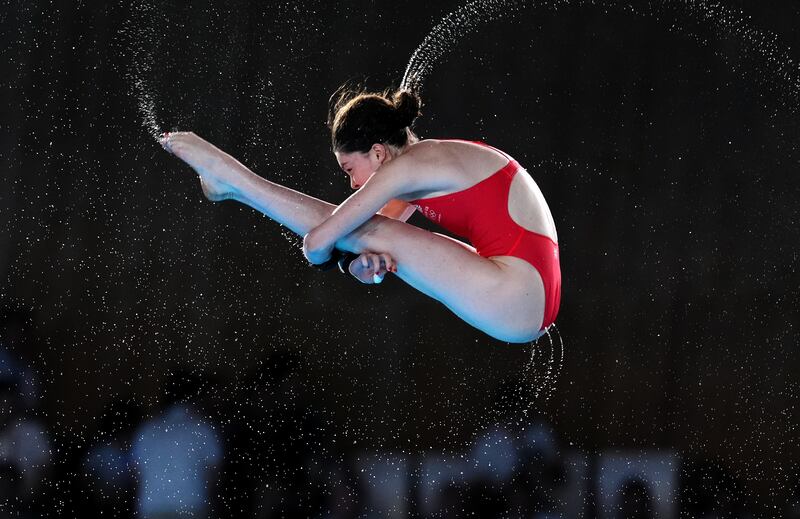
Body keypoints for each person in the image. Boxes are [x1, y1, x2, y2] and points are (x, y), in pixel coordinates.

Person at [160, 87, 560, 343]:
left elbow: (316, 243)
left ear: (379, 152)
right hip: (522, 296)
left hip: (516, 297)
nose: (353, 185)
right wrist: (357, 266)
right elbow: (365, 239)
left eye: (350, 170)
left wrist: (331, 256)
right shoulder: (424, 164)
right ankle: (234, 186)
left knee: (362, 230)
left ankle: (234, 178)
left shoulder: (409, 168)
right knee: (371, 232)